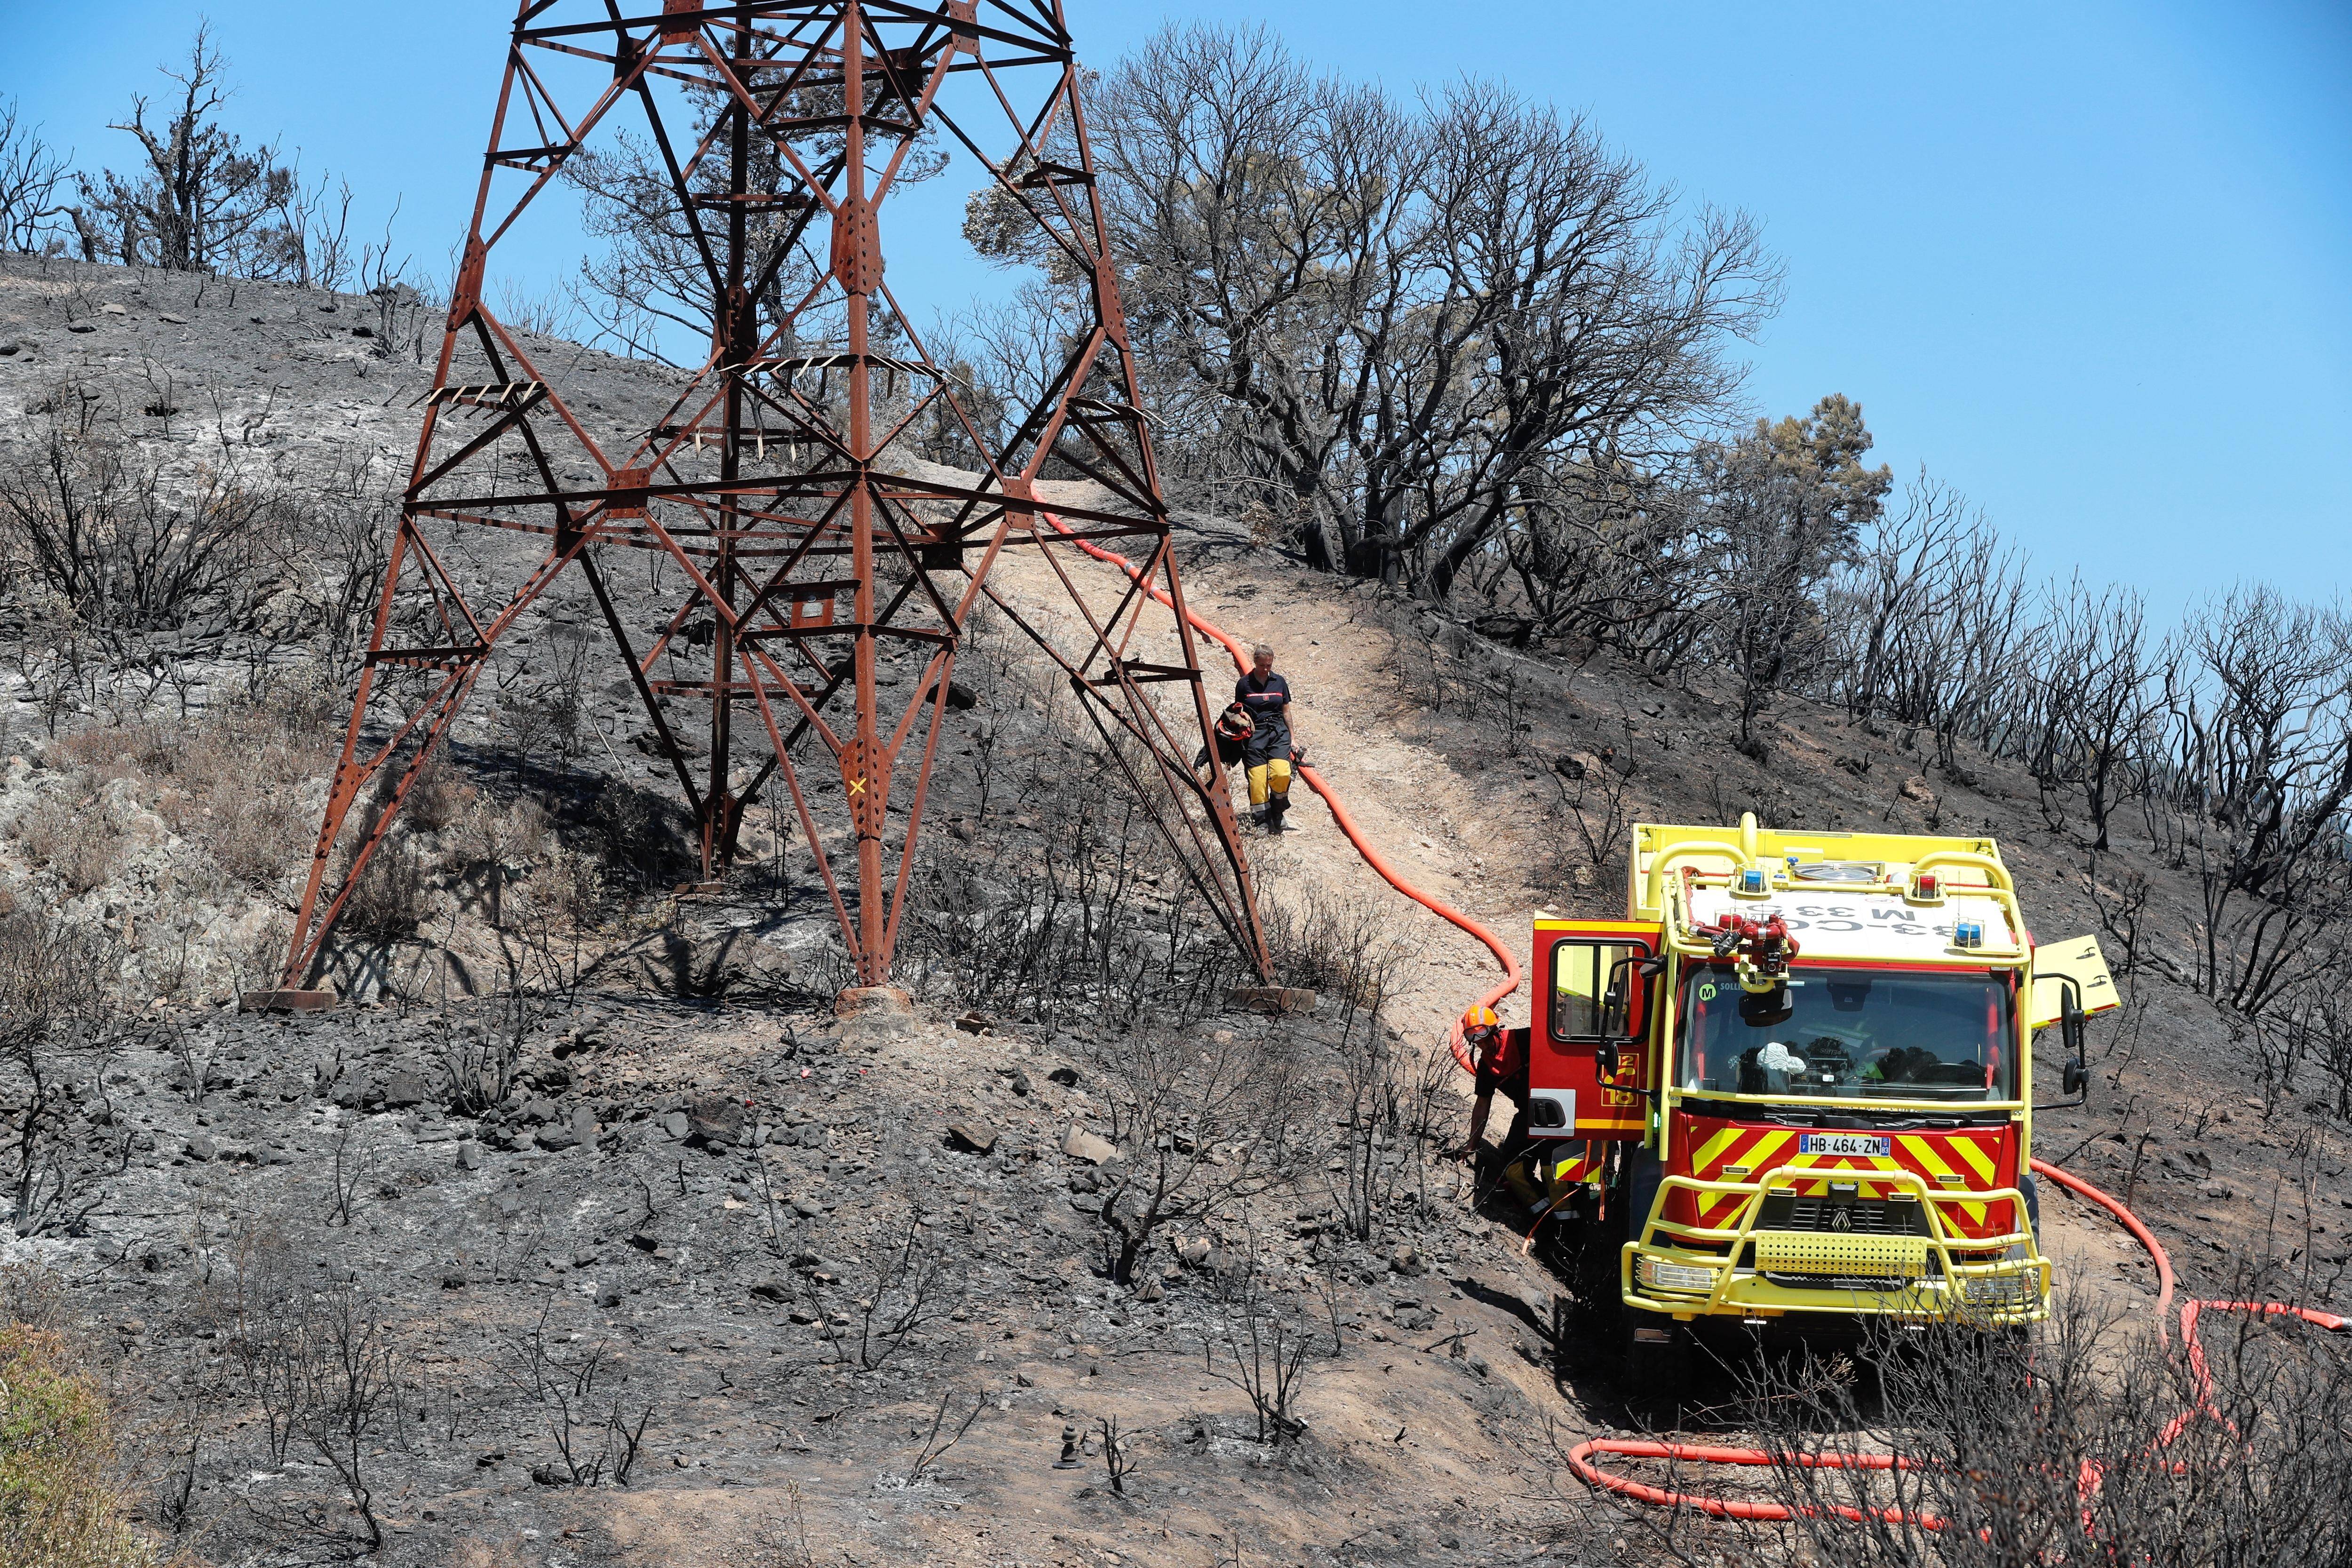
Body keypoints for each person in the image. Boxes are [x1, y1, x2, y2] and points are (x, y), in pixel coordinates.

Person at [1454, 1005, 1530, 1173]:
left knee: (1552, 1170)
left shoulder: (1524, 1039)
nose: (1485, 1047)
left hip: (1557, 1110)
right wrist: (1471, 1145)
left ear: (1495, 1030)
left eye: (1486, 1039)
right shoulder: (1486, 1068)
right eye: (1479, 1044)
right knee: (1512, 1171)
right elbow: (1482, 1106)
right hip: (1527, 1115)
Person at [1235, 644, 1294, 831]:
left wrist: (1293, 738)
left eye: (1270, 665)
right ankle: (1261, 821)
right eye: (1263, 665)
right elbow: (1239, 712)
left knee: (1281, 773)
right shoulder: (1244, 684)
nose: (1267, 669)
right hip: (1255, 735)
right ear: (1255, 663)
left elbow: (1286, 711)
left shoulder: (1280, 682)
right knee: (1258, 779)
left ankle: (1278, 812)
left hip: (1278, 732)